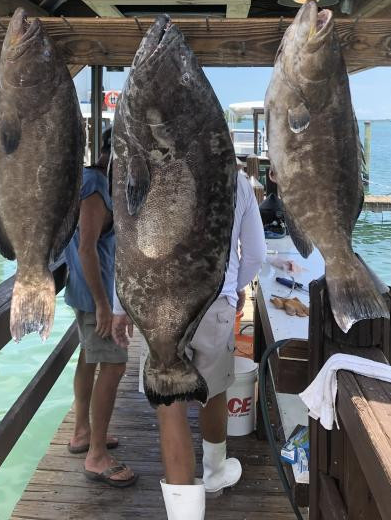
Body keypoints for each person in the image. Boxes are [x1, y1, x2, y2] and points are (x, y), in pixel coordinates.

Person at [113, 162, 266, 517]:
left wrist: (122, 305)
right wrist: (233, 288)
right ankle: (214, 472)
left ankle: (184, 513)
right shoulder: (237, 180)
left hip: (157, 305)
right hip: (215, 304)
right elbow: (255, 254)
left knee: (170, 405)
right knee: (214, 391)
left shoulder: (150, 171)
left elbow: (127, 243)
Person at [62, 127, 136, 488]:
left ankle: (82, 432)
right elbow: (85, 248)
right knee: (114, 366)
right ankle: (95, 456)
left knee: (89, 359)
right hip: (96, 297)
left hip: (89, 292)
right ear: (113, 152)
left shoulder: (101, 181)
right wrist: (106, 306)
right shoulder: (94, 184)